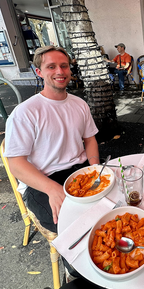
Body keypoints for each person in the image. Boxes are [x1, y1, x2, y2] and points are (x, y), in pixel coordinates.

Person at [4, 46, 100, 233]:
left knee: (114, 205)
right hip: (43, 179)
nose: (60, 71)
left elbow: (90, 140)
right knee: (75, 229)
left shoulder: (79, 104)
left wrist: (95, 168)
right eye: (51, 67)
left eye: (64, 66)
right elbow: (15, 164)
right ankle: (70, 263)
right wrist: (52, 189)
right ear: (39, 72)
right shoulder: (25, 113)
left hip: (80, 171)